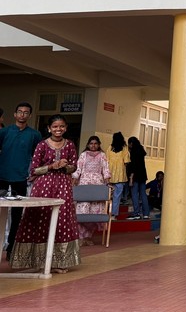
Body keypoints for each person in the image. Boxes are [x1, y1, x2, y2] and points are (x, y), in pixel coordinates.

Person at [10, 114, 80, 273]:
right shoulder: (42, 145)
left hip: (63, 186)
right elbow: (33, 169)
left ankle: (60, 261)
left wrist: (66, 165)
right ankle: (37, 260)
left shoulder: (69, 145)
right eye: (55, 126)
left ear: (66, 128)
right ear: (49, 128)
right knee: (40, 218)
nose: (58, 129)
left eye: (61, 126)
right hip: (43, 187)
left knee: (62, 220)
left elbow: (74, 167)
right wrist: (51, 166)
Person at [0, 102, 41, 260]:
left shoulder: (34, 135)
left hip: (21, 179)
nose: (22, 115)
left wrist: (34, 173)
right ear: (15, 114)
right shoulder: (4, 132)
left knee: (17, 215)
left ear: (29, 116)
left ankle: (11, 248)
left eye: (26, 112)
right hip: (2, 177)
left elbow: (37, 157)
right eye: (20, 112)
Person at [72, 135, 111, 246]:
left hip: (97, 185)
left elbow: (106, 169)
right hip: (84, 184)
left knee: (95, 211)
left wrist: (107, 182)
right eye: (91, 143)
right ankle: (81, 237)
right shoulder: (83, 155)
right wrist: (74, 180)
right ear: (88, 145)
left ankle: (89, 237)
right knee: (82, 210)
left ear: (99, 145)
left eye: (95, 143)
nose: (93, 146)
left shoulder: (103, 155)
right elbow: (78, 169)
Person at [107, 132, 129, 219]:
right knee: (117, 196)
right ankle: (113, 214)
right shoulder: (124, 148)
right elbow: (126, 161)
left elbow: (106, 161)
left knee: (108, 195)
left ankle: (105, 212)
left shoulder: (110, 148)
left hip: (110, 175)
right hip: (120, 176)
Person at [126, 136, 150, 220]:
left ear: (131, 143)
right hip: (143, 175)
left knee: (134, 194)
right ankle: (146, 213)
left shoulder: (133, 152)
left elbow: (133, 166)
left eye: (129, 144)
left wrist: (131, 177)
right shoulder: (141, 150)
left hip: (135, 176)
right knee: (143, 194)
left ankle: (136, 213)